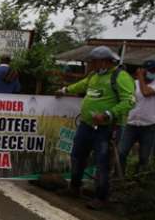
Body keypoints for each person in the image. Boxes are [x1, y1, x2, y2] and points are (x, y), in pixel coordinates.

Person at [56, 46, 135, 210]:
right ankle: (75, 187)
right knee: (77, 155)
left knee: (103, 162)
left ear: (104, 61)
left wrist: (108, 114)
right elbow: (82, 85)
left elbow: (129, 101)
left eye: (93, 62)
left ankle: (101, 197)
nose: (91, 64)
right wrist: (64, 90)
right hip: (87, 125)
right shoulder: (94, 76)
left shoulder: (120, 77)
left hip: (107, 128)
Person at [118, 60, 155, 173]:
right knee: (121, 152)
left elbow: (146, 92)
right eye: (149, 70)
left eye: (154, 71)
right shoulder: (133, 83)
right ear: (143, 70)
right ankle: (120, 176)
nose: (152, 73)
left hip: (149, 127)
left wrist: (140, 77)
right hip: (131, 124)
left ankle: (138, 180)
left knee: (144, 158)